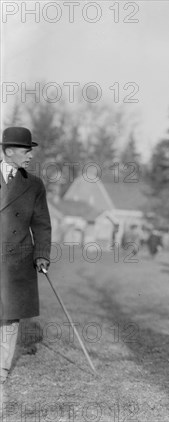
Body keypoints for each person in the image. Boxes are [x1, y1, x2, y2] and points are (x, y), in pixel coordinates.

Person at [0, 127, 51, 384]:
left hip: (17, 262)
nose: (30, 155)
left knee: (9, 317)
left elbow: (41, 224)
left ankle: (1, 369)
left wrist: (41, 255)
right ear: (9, 151)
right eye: (25, 150)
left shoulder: (33, 185)